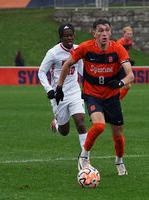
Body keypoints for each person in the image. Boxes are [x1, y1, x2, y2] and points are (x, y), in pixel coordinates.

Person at [56, 19, 134, 176]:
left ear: (110, 32)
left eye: (107, 30)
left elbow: (130, 75)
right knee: (99, 126)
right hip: (92, 94)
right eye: (100, 30)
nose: (104, 33)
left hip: (111, 97)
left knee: (118, 135)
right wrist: (59, 87)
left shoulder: (117, 49)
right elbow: (67, 65)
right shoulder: (86, 47)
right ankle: (84, 155)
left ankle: (119, 161)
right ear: (94, 34)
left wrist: (120, 82)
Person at [38, 24, 88, 169]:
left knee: (80, 122)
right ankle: (57, 123)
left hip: (74, 92)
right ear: (60, 37)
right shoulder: (53, 53)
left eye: (71, 35)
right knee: (65, 132)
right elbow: (41, 71)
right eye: (66, 35)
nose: (69, 38)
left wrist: (91, 83)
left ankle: (85, 159)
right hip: (58, 95)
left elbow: (81, 70)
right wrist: (49, 90)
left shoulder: (78, 50)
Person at [117, 26, 134, 100]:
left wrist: (128, 60)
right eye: (128, 34)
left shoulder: (130, 43)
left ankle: (118, 100)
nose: (129, 36)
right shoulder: (119, 43)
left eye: (131, 34)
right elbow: (117, 55)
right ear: (124, 34)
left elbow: (125, 54)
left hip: (123, 66)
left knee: (128, 86)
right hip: (118, 67)